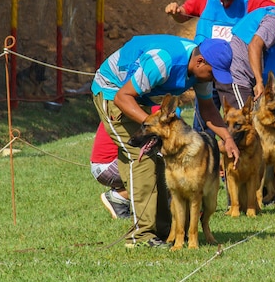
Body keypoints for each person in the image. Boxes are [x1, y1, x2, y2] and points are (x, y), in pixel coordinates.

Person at [91, 35, 240, 249]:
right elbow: (122, 98)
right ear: (200, 62)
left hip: (137, 97)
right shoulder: (163, 63)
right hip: (112, 90)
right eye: (213, 74)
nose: (213, 79)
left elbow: (207, 109)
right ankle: (142, 237)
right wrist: (154, 128)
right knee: (142, 160)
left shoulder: (200, 72)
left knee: (159, 160)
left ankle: (161, 231)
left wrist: (227, 138)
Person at [165, 0, 275, 134]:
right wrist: (175, 13)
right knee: (203, 123)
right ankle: (205, 156)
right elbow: (183, 15)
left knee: (239, 122)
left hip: (233, 73)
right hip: (206, 70)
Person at [90, 121, 131, 220]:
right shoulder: (146, 108)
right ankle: (118, 197)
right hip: (108, 167)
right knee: (156, 167)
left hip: (104, 165)